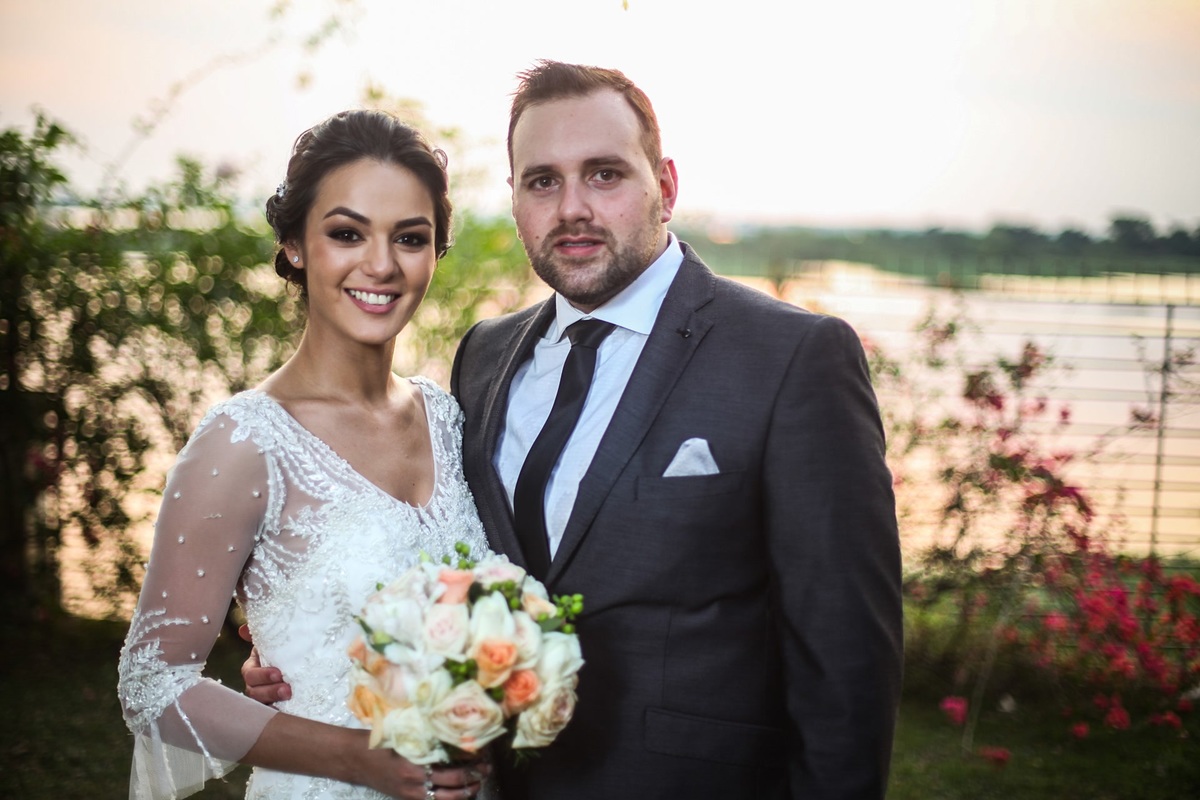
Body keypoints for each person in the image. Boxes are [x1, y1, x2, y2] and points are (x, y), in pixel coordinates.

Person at [249, 61, 903, 799]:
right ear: (515, 201)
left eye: (604, 175)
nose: (572, 209)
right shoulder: (484, 357)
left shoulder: (790, 357)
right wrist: (307, 657)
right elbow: (443, 570)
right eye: (542, 182)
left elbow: (847, 660)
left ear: (666, 186)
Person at [118, 109, 494, 800]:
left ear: (436, 252)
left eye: (410, 238)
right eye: (347, 233)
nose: (381, 264)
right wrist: (361, 759)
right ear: (294, 245)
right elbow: (151, 684)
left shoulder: (448, 418)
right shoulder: (244, 441)